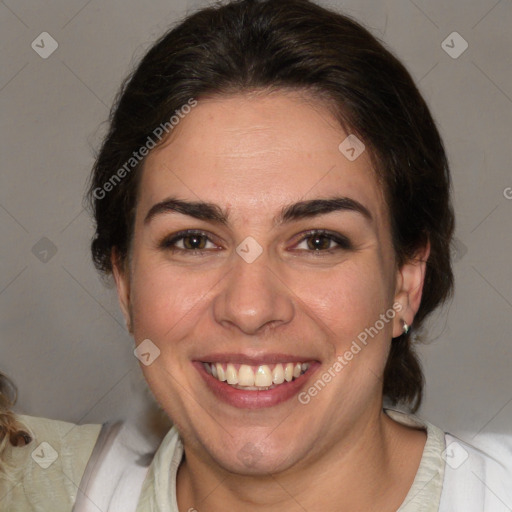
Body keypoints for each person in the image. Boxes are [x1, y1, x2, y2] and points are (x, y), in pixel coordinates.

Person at [1, 0, 511, 510]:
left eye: (318, 241)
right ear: (125, 281)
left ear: (406, 280)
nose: (249, 308)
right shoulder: (30, 487)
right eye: (194, 241)